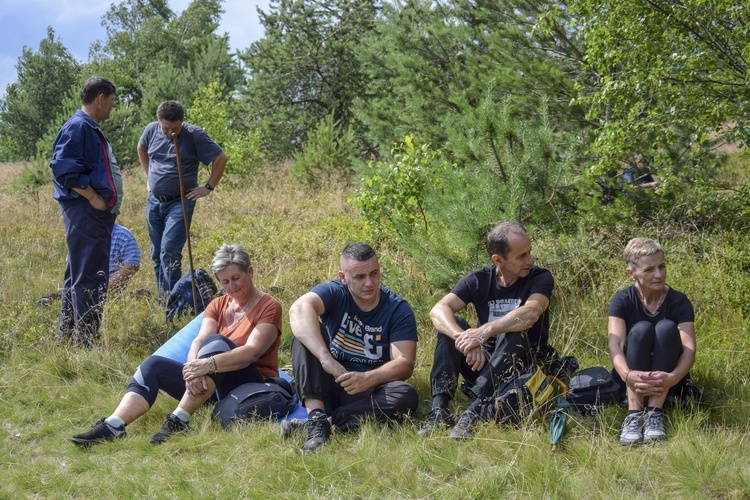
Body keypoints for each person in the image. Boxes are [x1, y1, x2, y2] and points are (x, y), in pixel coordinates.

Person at [71, 244, 282, 446]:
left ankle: (178, 420)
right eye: (225, 282)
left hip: (252, 384)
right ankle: (114, 425)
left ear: (250, 272)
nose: (231, 287)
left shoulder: (270, 306)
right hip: (212, 382)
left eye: (236, 278)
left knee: (218, 343)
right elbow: (199, 340)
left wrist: (207, 365)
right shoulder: (218, 304)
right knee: (153, 365)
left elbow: (251, 352)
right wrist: (192, 370)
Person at [420, 221, 555, 439]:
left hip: (521, 365)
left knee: (515, 327)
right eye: (522, 256)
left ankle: (475, 410)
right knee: (452, 326)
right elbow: (438, 310)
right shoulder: (479, 279)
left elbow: (531, 312)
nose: (530, 260)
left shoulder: (540, 277)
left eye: (529, 253)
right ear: (498, 260)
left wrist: (485, 331)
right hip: (482, 362)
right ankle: (439, 409)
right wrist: (464, 338)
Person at [283, 242, 419, 452]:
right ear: (343, 277)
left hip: (366, 390)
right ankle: (316, 416)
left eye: (374, 273)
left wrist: (368, 378)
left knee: (405, 394)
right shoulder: (336, 292)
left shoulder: (397, 308)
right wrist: (325, 358)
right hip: (328, 380)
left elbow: (405, 364)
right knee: (303, 337)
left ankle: (323, 424)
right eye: (359, 277)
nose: (369, 283)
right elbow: (299, 309)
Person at [50, 76, 121, 348]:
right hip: (86, 212)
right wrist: (92, 197)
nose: (112, 107)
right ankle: (86, 342)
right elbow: (63, 169)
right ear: (100, 98)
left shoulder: (87, 127)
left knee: (79, 273)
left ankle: (68, 336)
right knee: (90, 276)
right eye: (112, 102)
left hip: (90, 214)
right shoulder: (78, 127)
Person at [609, 237, 696, 446]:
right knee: (641, 329)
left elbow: (689, 349)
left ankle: (654, 414)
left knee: (666, 328)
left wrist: (673, 377)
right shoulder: (622, 300)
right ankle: (634, 414)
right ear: (631, 274)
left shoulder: (679, 301)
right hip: (632, 379)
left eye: (662, 266)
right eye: (649, 270)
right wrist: (627, 375)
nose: (659, 274)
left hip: (668, 379)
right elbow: (615, 344)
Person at [138, 100, 228, 299]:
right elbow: (141, 149)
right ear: (158, 121)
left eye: (175, 128)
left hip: (180, 201)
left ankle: (173, 300)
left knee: (169, 251)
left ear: (182, 122)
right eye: (166, 128)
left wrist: (208, 187)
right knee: (156, 253)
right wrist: (149, 177)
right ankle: (164, 297)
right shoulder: (151, 130)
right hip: (154, 200)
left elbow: (221, 158)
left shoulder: (194, 135)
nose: (170, 132)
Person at [37, 223, 141, 306]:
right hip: (83, 286)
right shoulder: (81, 234)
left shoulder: (122, 234)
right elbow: (72, 265)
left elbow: (132, 265)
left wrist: (104, 288)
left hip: (111, 289)